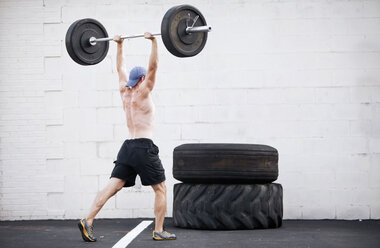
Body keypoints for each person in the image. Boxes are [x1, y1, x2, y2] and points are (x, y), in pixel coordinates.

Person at [77, 32, 176, 242]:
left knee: (113, 185)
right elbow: (154, 66)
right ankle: (159, 230)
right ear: (142, 79)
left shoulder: (124, 91)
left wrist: (119, 45)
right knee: (161, 188)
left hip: (127, 148)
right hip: (143, 147)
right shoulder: (143, 91)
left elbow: (120, 68)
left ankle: (88, 220)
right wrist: (154, 42)